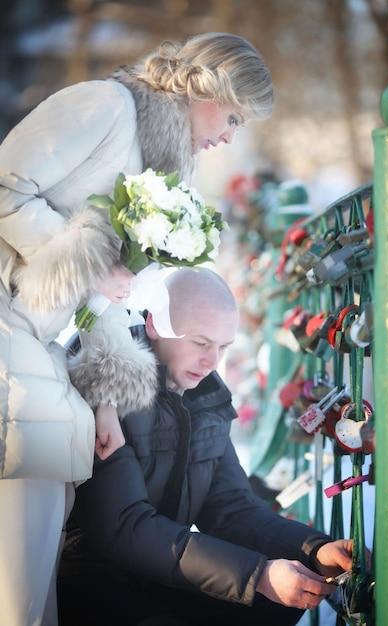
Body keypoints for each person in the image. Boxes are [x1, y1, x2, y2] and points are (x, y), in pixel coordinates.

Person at [0, 32, 274, 626]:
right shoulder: (103, 106)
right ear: (207, 87)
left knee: (32, 586)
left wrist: (107, 397)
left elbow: (105, 300)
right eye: (232, 116)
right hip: (11, 341)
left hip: (49, 365)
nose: (230, 135)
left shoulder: (160, 168)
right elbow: (4, 187)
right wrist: (91, 259)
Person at [58, 268, 353, 626]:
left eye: (222, 347)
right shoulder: (105, 384)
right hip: (93, 579)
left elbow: (230, 507)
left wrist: (313, 548)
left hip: (158, 572)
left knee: (274, 605)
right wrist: (257, 575)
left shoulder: (206, 396)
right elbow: (123, 527)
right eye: (200, 343)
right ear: (155, 326)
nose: (212, 361)